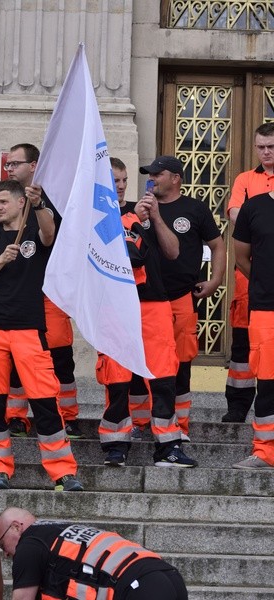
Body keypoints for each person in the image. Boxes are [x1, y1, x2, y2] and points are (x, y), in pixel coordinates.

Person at [0, 178, 83, 491]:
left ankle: (62, 472)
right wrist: (0, 260)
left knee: (45, 401)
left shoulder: (35, 231)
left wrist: (40, 204)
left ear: (21, 202)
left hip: (28, 330)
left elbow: (50, 233)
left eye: (4, 202)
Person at [96, 158, 197, 468]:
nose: (122, 185)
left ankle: (168, 446)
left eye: (125, 180)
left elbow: (172, 251)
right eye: (115, 180)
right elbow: (123, 255)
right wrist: (131, 221)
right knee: (117, 378)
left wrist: (152, 217)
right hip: (117, 306)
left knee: (164, 375)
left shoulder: (149, 213)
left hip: (155, 303)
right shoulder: (99, 217)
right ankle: (116, 444)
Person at [136, 156, 226, 440]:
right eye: (150, 174)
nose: (152, 179)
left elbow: (218, 245)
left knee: (180, 361)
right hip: (145, 299)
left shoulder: (195, 209)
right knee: (143, 361)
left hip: (181, 296)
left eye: (157, 174)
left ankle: (179, 426)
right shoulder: (140, 210)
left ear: (175, 177)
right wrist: (137, 218)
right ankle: (142, 423)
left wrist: (215, 281)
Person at [0, 507, 189, 600]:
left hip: (137, 588)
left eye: (3, 545)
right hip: (167, 576)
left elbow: (22, 599)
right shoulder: (59, 531)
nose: (6, 554)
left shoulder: (29, 544)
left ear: (15, 527)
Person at [223, 122, 274, 423]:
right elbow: (235, 216)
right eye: (261, 147)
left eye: (271, 147)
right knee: (242, 342)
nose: (265, 152)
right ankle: (238, 406)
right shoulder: (244, 179)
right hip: (249, 276)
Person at [232, 189, 274, 469]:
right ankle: (264, 452)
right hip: (265, 307)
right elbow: (242, 258)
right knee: (268, 381)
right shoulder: (254, 207)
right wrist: (263, 282)